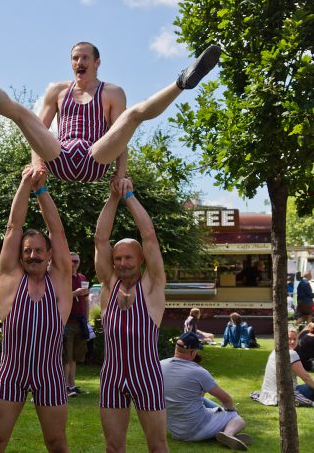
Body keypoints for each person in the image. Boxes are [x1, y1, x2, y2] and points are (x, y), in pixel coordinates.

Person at [0, 33, 221, 183]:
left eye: (84, 58)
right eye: (74, 58)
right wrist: (37, 164)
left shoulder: (112, 92)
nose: (78, 62)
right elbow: (39, 129)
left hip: (94, 158)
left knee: (133, 116)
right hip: (59, 156)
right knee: (21, 114)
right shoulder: (57, 91)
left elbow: (120, 138)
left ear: (97, 62)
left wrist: (121, 176)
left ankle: (182, 81)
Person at [0, 165, 72, 453]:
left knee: (57, 443)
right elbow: (14, 227)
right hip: (12, 373)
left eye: (38, 251)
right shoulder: (11, 279)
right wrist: (25, 183)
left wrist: (41, 190)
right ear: (20, 256)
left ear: (49, 256)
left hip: (50, 375)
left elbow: (56, 231)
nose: (32, 255)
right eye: (27, 251)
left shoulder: (59, 282)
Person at [94, 176, 168, 452]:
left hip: (146, 376)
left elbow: (149, 237)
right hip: (112, 377)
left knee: (157, 447)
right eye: (118, 258)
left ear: (141, 260)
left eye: (128, 258)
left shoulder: (152, 287)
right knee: (113, 447)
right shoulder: (108, 285)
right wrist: (113, 197)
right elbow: (101, 238)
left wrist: (129, 196)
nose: (122, 263)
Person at [161, 332, 253, 451]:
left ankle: (222, 428)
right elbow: (226, 399)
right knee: (237, 419)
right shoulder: (198, 372)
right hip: (195, 430)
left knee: (202, 399)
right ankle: (228, 433)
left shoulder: (159, 365)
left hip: (176, 431)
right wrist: (231, 411)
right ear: (193, 352)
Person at [252, 327, 314, 407]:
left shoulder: (275, 351)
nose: (292, 342)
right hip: (286, 393)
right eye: (289, 339)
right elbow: (306, 377)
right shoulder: (291, 354)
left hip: (269, 394)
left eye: (294, 339)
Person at [63, 251, 89, 397]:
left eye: (76, 261)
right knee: (66, 357)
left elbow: (85, 300)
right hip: (67, 321)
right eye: (71, 261)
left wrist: (87, 318)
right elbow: (58, 298)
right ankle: (65, 387)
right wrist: (75, 293)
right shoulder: (63, 278)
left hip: (80, 321)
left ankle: (72, 386)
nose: (74, 264)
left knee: (75, 357)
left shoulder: (82, 278)